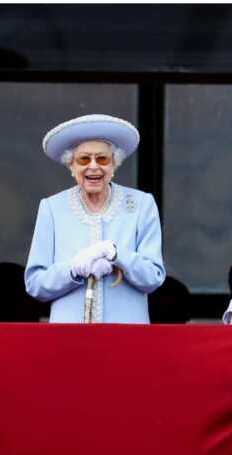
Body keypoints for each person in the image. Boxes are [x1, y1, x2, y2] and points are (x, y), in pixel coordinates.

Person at [25, 114, 165, 323]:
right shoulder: (52, 208)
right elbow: (35, 284)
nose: (93, 166)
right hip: (69, 337)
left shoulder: (141, 205)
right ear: (71, 166)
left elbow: (153, 277)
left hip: (127, 336)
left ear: (114, 165)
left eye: (102, 159)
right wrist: (73, 269)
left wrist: (117, 254)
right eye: (83, 159)